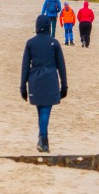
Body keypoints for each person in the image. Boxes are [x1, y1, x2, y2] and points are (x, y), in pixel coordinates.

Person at [21, 15, 67, 153]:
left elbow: (25, 66)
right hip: (50, 79)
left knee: (41, 111)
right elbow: (61, 66)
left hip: (34, 80)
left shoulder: (30, 43)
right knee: (45, 111)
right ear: (48, 26)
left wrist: (22, 86)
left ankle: (43, 139)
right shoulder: (54, 43)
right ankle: (43, 139)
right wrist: (64, 86)